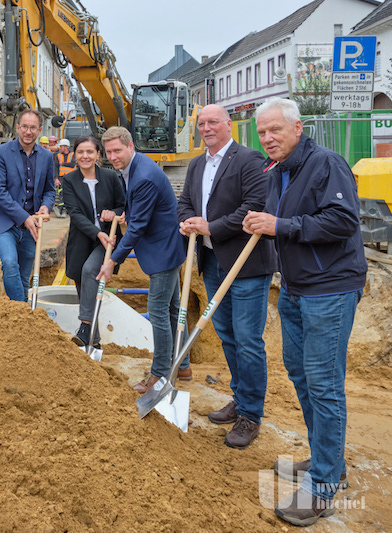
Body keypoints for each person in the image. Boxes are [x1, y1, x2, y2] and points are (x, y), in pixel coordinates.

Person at [243, 98, 367, 527]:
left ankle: (323, 485)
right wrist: (265, 220)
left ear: (298, 127)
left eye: (275, 130)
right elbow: (287, 217)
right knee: (300, 374)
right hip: (296, 289)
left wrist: (280, 226)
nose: (268, 138)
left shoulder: (326, 164)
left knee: (325, 384)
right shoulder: (280, 170)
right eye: (261, 132)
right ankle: (327, 461)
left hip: (329, 290)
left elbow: (342, 221)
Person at [178, 104, 277, 449]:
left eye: (213, 122)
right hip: (212, 263)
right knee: (228, 336)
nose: (206, 128)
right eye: (201, 123)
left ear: (228, 125)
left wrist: (211, 226)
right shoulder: (196, 165)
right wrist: (190, 221)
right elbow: (186, 203)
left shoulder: (248, 160)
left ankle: (251, 414)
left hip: (246, 264)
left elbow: (254, 206)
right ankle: (241, 398)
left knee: (249, 339)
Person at [96, 126, 187, 393]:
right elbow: (138, 213)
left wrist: (112, 260)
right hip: (165, 246)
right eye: (109, 152)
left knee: (159, 312)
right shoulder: (132, 169)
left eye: (117, 150)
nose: (113, 156)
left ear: (130, 146)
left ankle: (159, 374)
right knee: (171, 310)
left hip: (163, 251)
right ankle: (182, 365)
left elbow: (137, 228)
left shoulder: (144, 176)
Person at [61, 136, 124, 347]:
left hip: (108, 241)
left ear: (98, 154)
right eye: (80, 152)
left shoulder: (111, 177)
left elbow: (122, 206)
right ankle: (93, 343)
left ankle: (85, 326)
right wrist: (97, 233)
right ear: (75, 154)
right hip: (81, 240)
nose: (85, 156)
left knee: (90, 270)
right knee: (83, 286)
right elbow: (75, 214)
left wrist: (112, 213)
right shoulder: (69, 181)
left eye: (90, 152)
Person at [0, 109, 55, 301]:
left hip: (31, 228)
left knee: (25, 277)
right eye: (24, 126)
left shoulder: (47, 157)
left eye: (33, 127)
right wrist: (24, 218)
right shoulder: (1, 153)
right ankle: (22, 310)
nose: (28, 131)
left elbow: (50, 190)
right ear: (17, 128)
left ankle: (19, 317)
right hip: (4, 223)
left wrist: (46, 206)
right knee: (9, 263)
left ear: (39, 130)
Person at [53, 138, 76, 218]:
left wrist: (63, 163)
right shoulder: (58, 156)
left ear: (66, 147)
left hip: (71, 178)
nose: (59, 148)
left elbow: (73, 164)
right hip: (61, 178)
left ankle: (60, 208)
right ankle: (63, 211)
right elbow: (55, 168)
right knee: (62, 194)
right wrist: (56, 178)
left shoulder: (73, 155)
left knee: (68, 194)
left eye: (61, 146)